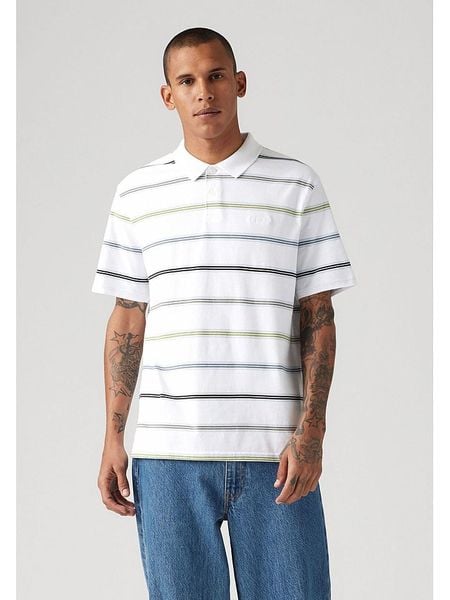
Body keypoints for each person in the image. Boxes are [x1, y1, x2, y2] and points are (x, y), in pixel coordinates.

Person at [92, 26, 356, 600]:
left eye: (215, 76)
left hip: (276, 456)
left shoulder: (295, 184)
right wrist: (113, 435)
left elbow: (318, 317)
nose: (204, 92)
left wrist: (312, 432)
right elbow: (128, 319)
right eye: (187, 81)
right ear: (168, 96)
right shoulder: (137, 193)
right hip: (168, 457)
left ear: (239, 83)